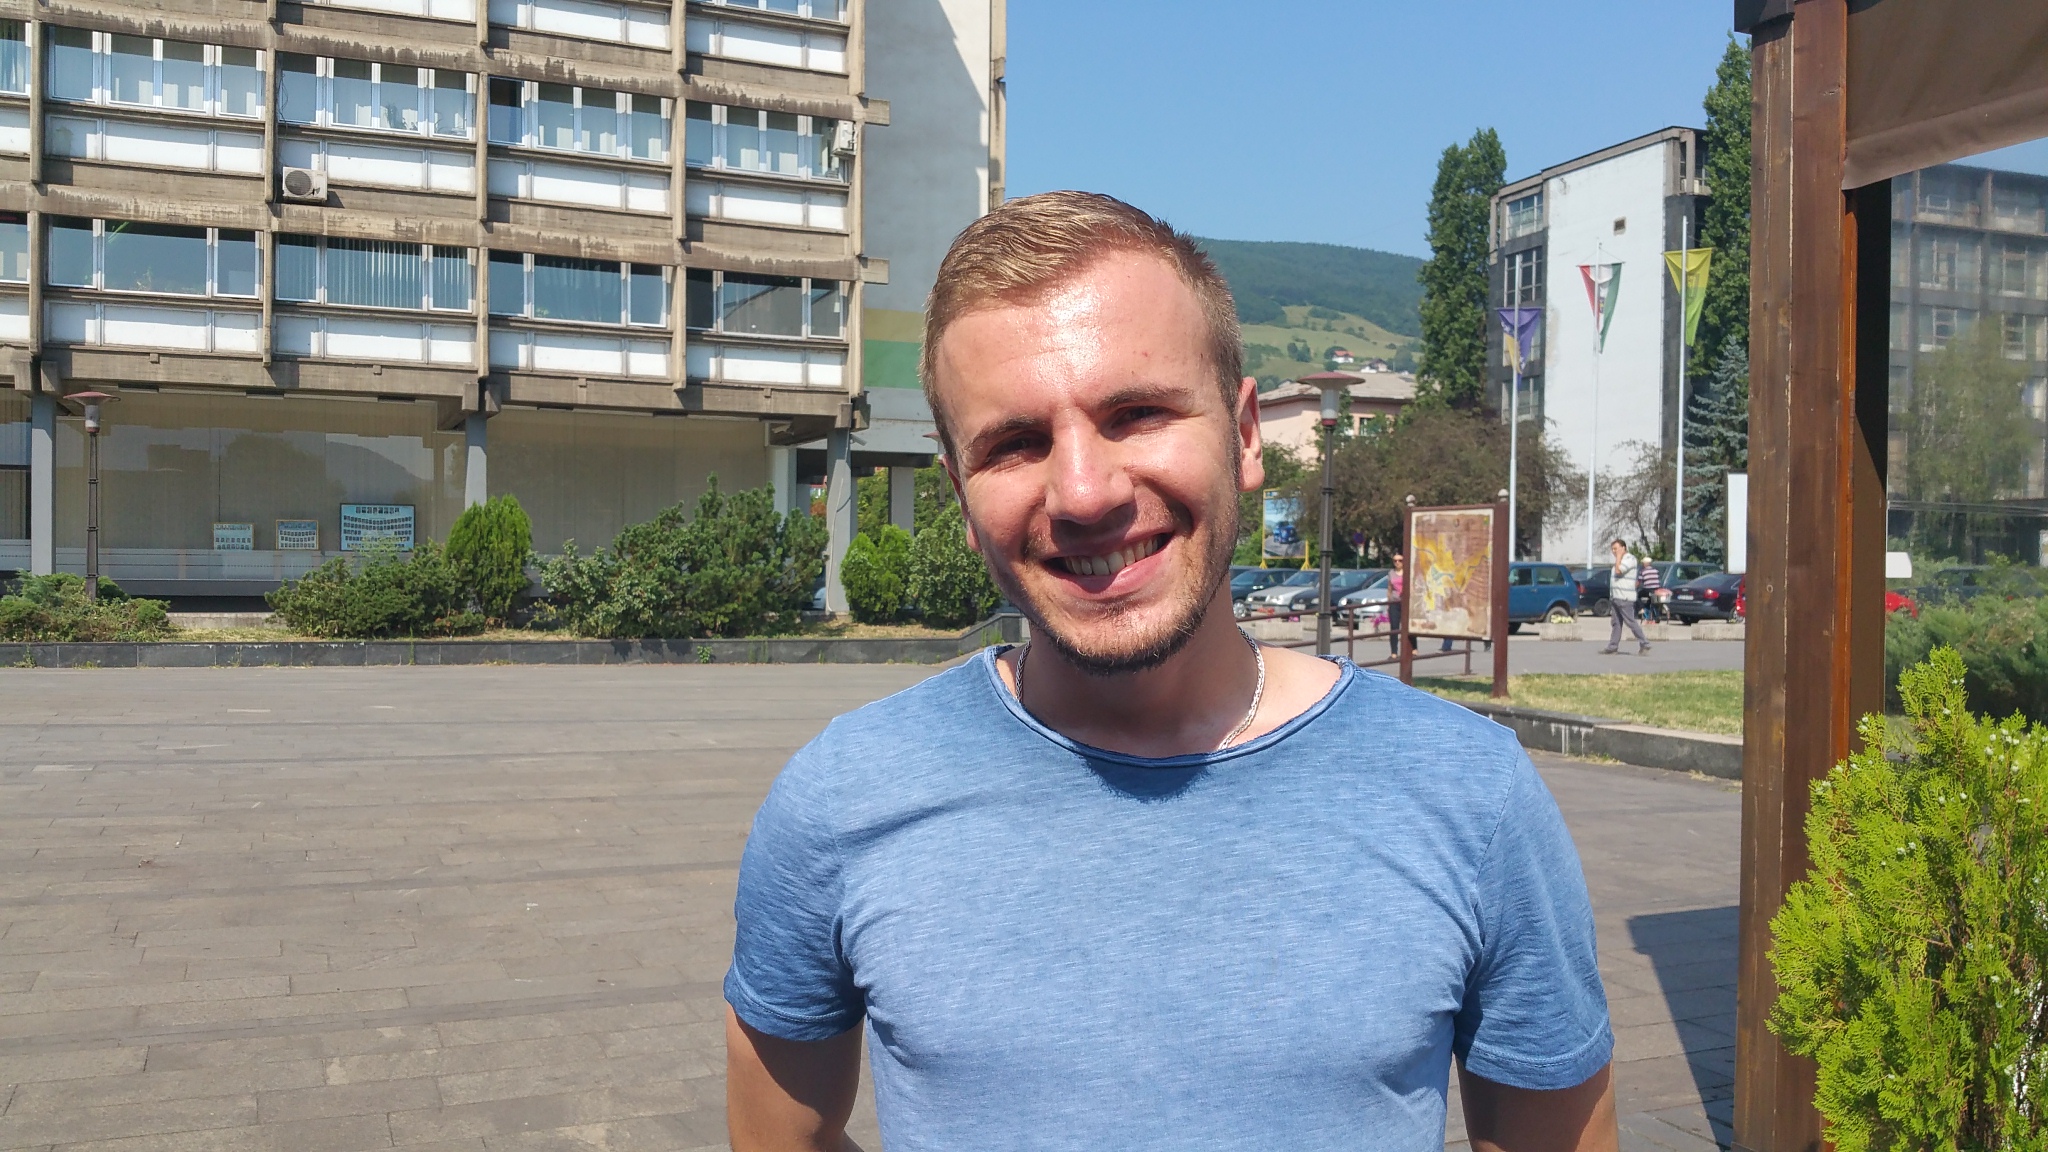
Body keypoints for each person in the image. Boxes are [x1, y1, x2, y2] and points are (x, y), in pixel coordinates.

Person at [724, 191, 1617, 1152]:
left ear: (1244, 436)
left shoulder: (1470, 797)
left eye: (1137, 413)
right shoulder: (843, 799)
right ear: (961, 493)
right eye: (1015, 444)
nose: (1082, 493)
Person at [1602, 539, 1651, 655]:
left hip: (1625, 598)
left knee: (1630, 622)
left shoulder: (1630, 559)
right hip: (1616, 597)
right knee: (1616, 623)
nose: (1614, 551)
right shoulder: (1619, 561)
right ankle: (1612, 646)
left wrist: (1619, 557)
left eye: (1616, 549)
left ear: (1623, 548)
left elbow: (1619, 571)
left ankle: (1644, 643)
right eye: (1612, 549)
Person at [1637, 557, 1664, 623]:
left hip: (1648, 590)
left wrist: (1634, 587)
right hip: (1656, 590)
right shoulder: (1656, 571)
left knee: (1637, 595)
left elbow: (1639, 582)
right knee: (1651, 601)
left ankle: (1642, 608)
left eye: (1643, 563)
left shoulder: (1643, 571)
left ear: (1645, 563)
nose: (1643, 564)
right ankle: (1654, 616)